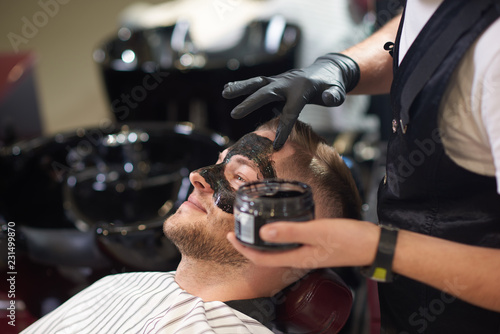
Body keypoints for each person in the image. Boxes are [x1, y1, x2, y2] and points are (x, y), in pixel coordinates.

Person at [223, 0, 500, 333]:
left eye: (241, 176)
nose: (198, 177)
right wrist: (345, 65)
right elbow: (418, 28)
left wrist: (376, 248)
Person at [20, 117, 362, 334]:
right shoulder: (117, 285)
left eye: (240, 177)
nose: (197, 176)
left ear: (296, 241)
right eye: (218, 162)